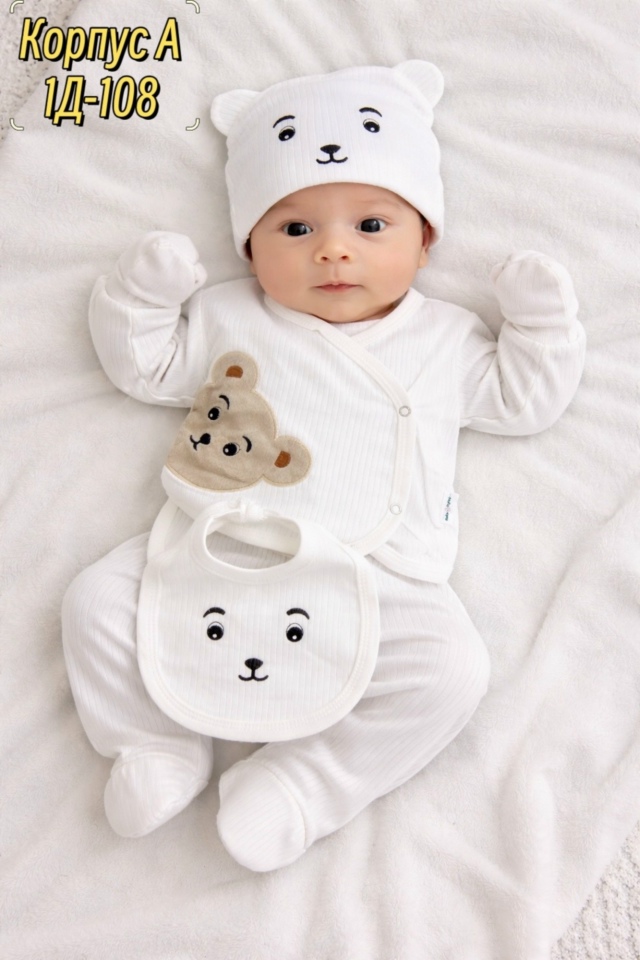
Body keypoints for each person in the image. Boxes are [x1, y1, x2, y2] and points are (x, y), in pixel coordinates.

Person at [62, 61, 586, 872]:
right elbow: (146, 368)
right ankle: (152, 743)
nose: (334, 250)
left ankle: (303, 786)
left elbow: (523, 402)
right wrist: (139, 299)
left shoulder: (447, 339)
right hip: (220, 542)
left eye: (372, 225)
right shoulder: (229, 315)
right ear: (250, 248)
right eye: (295, 230)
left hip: (376, 567)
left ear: (425, 241)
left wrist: (542, 327)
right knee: (97, 601)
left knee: (451, 672)